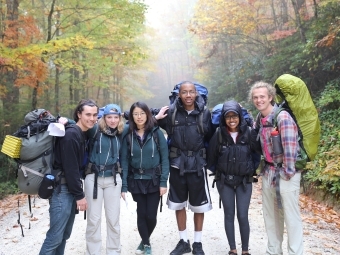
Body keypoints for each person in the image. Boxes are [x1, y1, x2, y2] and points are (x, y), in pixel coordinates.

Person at [155, 81, 213, 255]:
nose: (188, 95)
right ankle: (183, 241)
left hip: (197, 164)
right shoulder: (170, 113)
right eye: (184, 92)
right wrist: (155, 118)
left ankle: (197, 243)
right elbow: (143, 120)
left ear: (197, 94)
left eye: (191, 92)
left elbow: (219, 128)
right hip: (176, 164)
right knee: (178, 204)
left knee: (199, 206)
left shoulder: (205, 113)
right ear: (178, 95)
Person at [249, 81, 304, 255]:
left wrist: (287, 173)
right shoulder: (260, 118)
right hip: (269, 172)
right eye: (256, 97)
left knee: (290, 217)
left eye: (262, 96)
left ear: (270, 97)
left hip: (287, 173)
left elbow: (290, 146)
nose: (259, 100)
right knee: (271, 217)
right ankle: (273, 251)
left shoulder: (282, 117)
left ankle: (295, 252)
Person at [39, 99, 98, 255]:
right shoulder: (71, 135)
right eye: (88, 114)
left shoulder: (80, 133)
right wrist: (80, 196)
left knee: (64, 235)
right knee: (54, 238)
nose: (92, 118)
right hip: (62, 191)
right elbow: (70, 169)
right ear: (79, 114)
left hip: (68, 190)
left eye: (95, 115)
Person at [207, 100, 258, 255]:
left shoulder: (249, 133)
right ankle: (233, 249)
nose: (231, 120)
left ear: (240, 117)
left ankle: (245, 250)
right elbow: (211, 159)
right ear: (223, 119)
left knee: (243, 215)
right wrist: (221, 173)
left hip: (244, 181)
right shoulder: (219, 135)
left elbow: (256, 156)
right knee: (229, 214)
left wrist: (248, 170)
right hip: (225, 182)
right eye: (228, 117)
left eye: (234, 116)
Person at [121, 101, 169, 255]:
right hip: (136, 179)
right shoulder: (127, 133)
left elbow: (165, 159)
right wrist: (124, 186)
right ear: (131, 116)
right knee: (141, 213)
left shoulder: (156, 132)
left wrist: (163, 182)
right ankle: (147, 244)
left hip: (154, 179)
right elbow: (124, 160)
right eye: (135, 114)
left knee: (151, 215)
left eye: (142, 113)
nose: (139, 117)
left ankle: (144, 240)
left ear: (148, 114)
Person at [84, 104, 125, 255]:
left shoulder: (122, 132)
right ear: (104, 117)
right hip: (93, 179)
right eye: (109, 117)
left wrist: (157, 117)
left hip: (113, 180)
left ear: (119, 118)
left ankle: (114, 251)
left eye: (116, 117)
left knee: (113, 220)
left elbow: (141, 122)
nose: (113, 120)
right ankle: (93, 252)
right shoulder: (94, 130)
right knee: (93, 221)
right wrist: (63, 120)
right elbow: (78, 124)